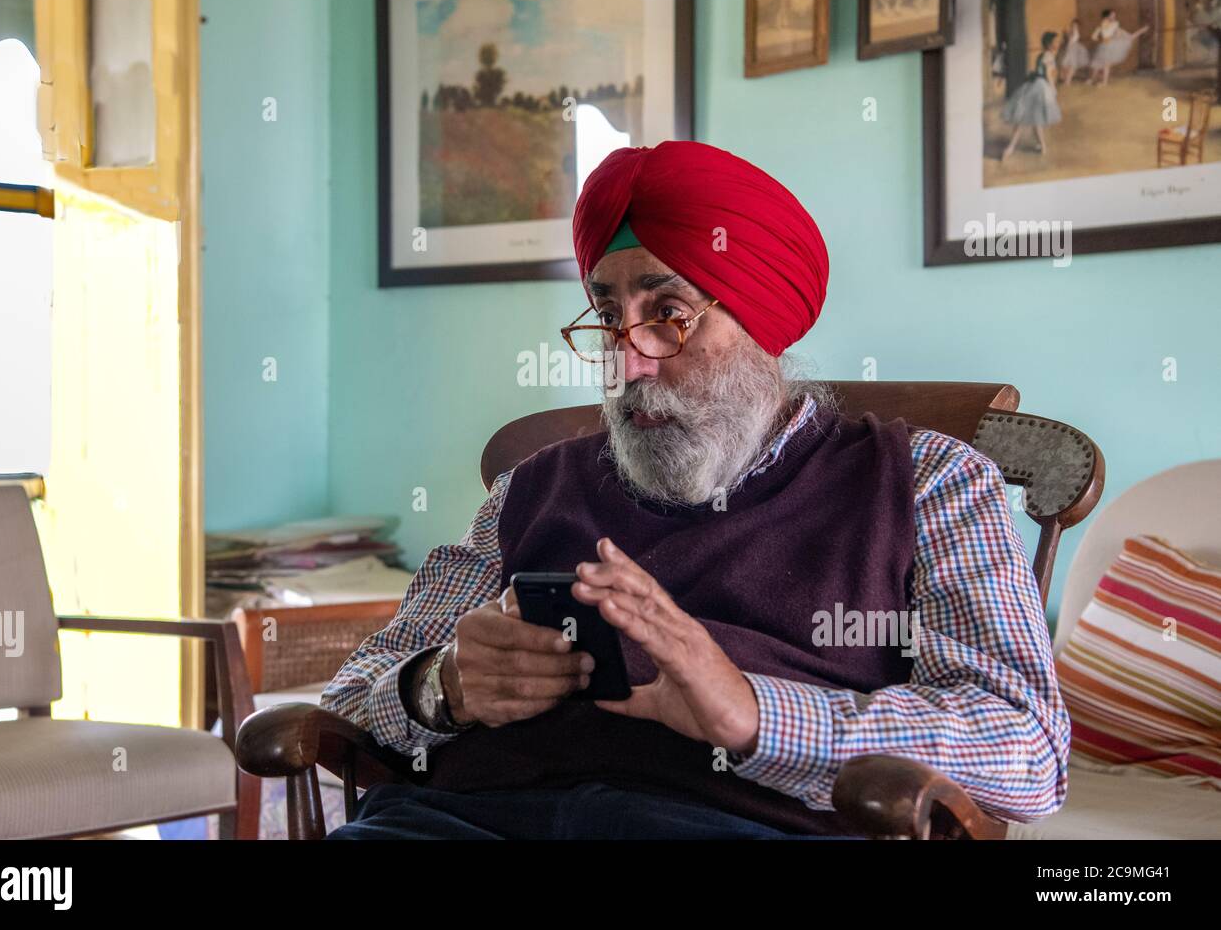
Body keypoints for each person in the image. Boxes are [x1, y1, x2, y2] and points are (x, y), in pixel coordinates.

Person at [321, 141, 1070, 840]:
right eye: (609, 318)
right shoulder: (531, 488)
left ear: (763, 322)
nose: (628, 361)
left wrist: (752, 712)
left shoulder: (925, 480)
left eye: (667, 314)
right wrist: (441, 685)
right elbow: (350, 697)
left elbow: (1028, 750)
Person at [1001, 31, 1062, 162]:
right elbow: (1048, 75)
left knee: (1033, 119)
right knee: (1029, 119)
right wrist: (1053, 90)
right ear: (1049, 43)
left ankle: (1041, 147)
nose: (1058, 44)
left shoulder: (1042, 55)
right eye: (1056, 42)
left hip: (1034, 85)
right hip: (1041, 87)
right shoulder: (1049, 56)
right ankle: (1011, 148)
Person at [1088, 8, 1149, 86]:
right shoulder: (1101, 25)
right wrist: (1101, 38)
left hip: (1111, 46)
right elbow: (1094, 37)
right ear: (1107, 16)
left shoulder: (1115, 24)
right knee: (1097, 64)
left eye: (1114, 15)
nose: (1114, 16)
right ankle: (1092, 79)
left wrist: (1114, 36)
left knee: (1106, 65)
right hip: (1104, 46)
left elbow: (1122, 34)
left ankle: (1104, 82)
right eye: (1112, 15)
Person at [1058, 18, 1089, 85]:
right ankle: (1066, 80)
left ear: (1078, 26)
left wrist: (1067, 35)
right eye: (1073, 25)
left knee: (1072, 65)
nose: (1074, 26)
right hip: (1068, 48)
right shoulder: (1070, 31)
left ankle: (1067, 81)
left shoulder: (1076, 33)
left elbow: (1071, 40)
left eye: (1076, 26)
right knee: (1064, 64)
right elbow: (1065, 40)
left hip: (1073, 49)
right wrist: (1065, 34)